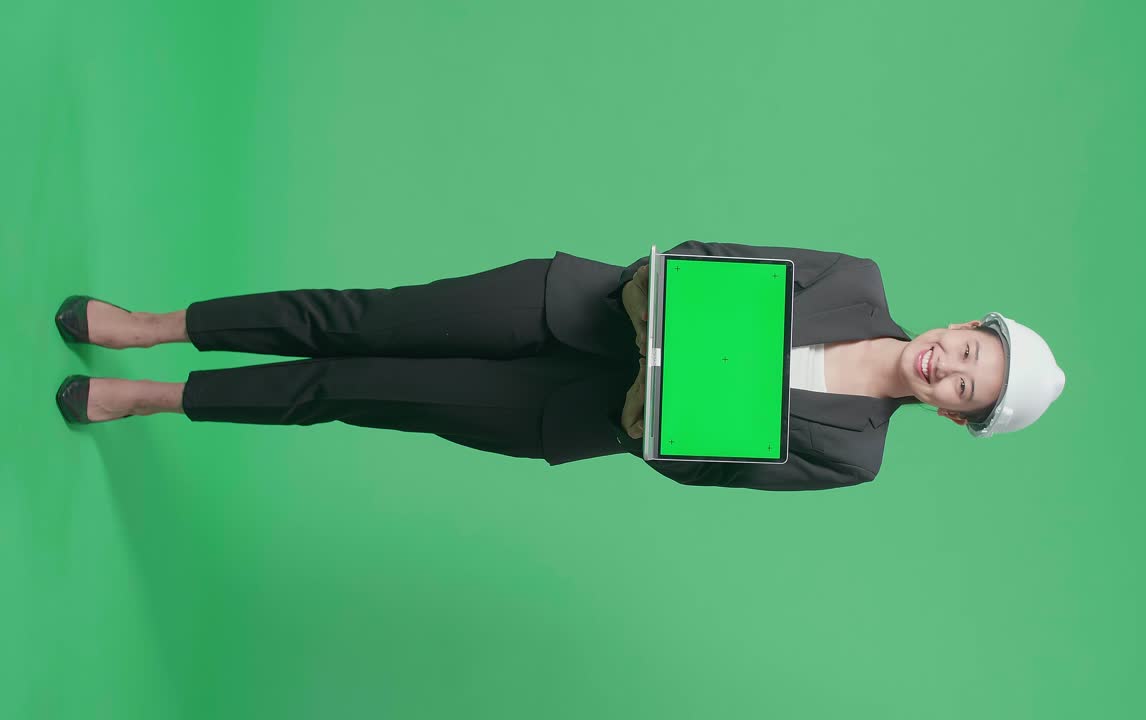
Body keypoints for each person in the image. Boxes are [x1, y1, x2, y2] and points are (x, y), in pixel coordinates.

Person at [53, 240, 1065, 491]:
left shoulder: (854, 456)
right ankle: (154, 325)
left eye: (965, 389)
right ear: (963, 323)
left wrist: (654, 416)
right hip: (577, 301)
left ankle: (156, 397)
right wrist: (662, 294)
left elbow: (713, 467)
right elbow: (714, 256)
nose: (947, 366)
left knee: (351, 389)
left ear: (952, 417)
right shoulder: (856, 278)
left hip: (576, 414)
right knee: (364, 319)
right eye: (969, 349)